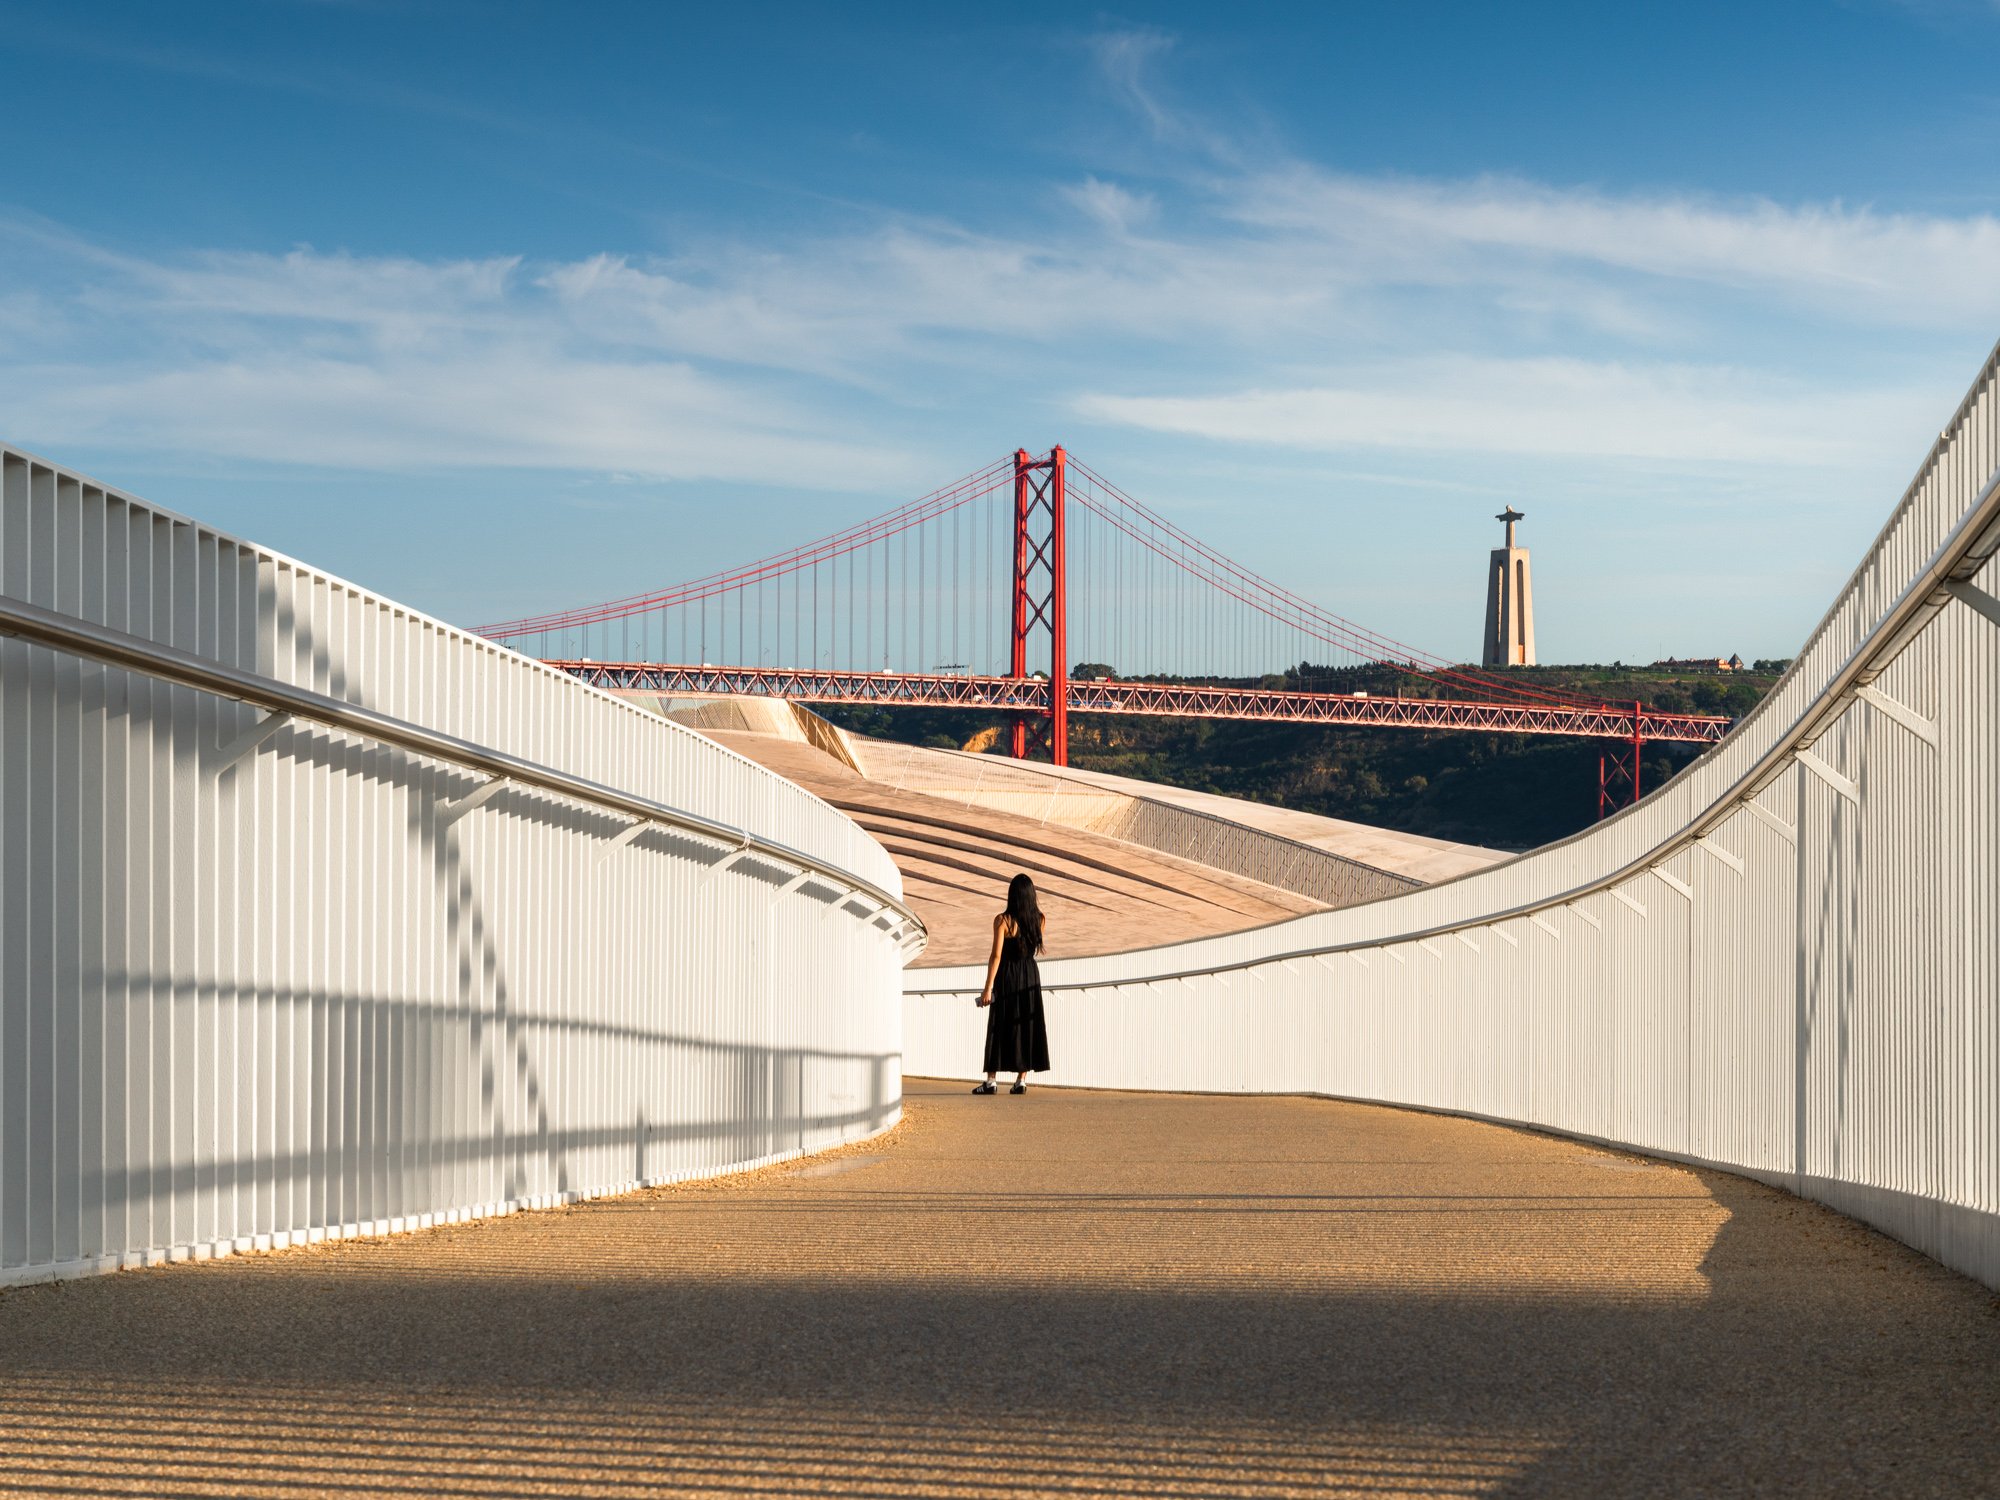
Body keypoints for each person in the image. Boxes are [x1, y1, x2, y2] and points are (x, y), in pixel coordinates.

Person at [974, 873, 1051, 1095]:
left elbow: (996, 956)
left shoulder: (1003, 920)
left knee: (999, 1023)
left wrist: (988, 987)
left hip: (1007, 975)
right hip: (1029, 974)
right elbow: (1030, 947)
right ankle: (1021, 1080)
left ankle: (991, 1080)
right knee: (1027, 1023)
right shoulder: (1041, 919)